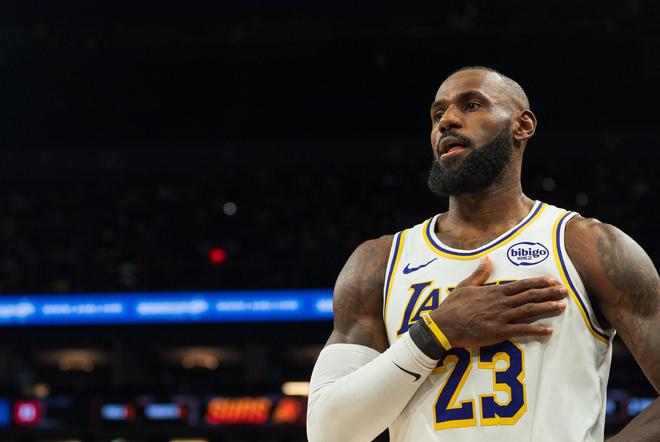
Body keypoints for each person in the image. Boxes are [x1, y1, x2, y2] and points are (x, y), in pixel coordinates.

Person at [306, 67, 660, 442]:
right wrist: (435, 333)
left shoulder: (587, 246)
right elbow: (329, 433)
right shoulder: (378, 262)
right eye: (437, 114)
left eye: (471, 105)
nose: (447, 121)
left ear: (522, 125)